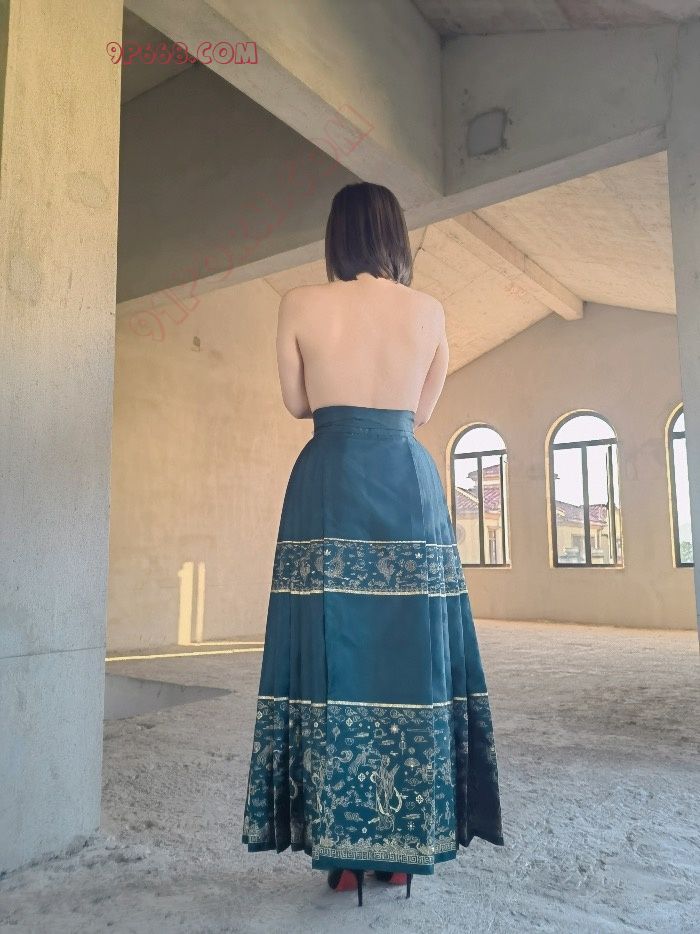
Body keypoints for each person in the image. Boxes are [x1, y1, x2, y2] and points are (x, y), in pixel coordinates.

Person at [241, 182, 504, 907]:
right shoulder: (429, 311)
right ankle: (405, 850)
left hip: (328, 479)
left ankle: (346, 850)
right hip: (405, 480)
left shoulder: (298, 301)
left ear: (337, 236)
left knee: (331, 659)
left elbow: (298, 403)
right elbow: (421, 409)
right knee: (413, 659)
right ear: (395, 236)